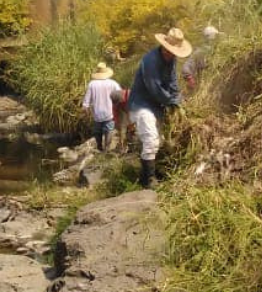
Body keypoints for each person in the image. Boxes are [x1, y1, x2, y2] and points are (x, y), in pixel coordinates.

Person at [128, 27, 192, 188]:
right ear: (164, 46)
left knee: (159, 140)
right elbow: (155, 88)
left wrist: (178, 98)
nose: (171, 54)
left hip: (156, 105)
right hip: (142, 104)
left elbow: (172, 81)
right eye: (169, 51)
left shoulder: (171, 60)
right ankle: (149, 180)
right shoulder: (150, 61)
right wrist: (172, 101)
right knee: (151, 139)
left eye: (174, 52)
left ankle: (145, 174)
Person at [82, 62, 123, 152]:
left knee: (98, 132)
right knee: (109, 130)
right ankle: (107, 149)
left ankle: (99, 147)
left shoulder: (92, 84)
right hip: (110, 112)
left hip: (97, 113)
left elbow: (86, 101)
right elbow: (120, 96)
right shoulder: (113, 83)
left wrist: (85, 109)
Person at [181, 25, 220, 91]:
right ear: (212, 37)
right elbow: (186, 67)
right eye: (215, 36)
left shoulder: (211, 49)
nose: (216, 39)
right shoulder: (202, 51)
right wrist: (190, 79)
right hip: (198, 86)